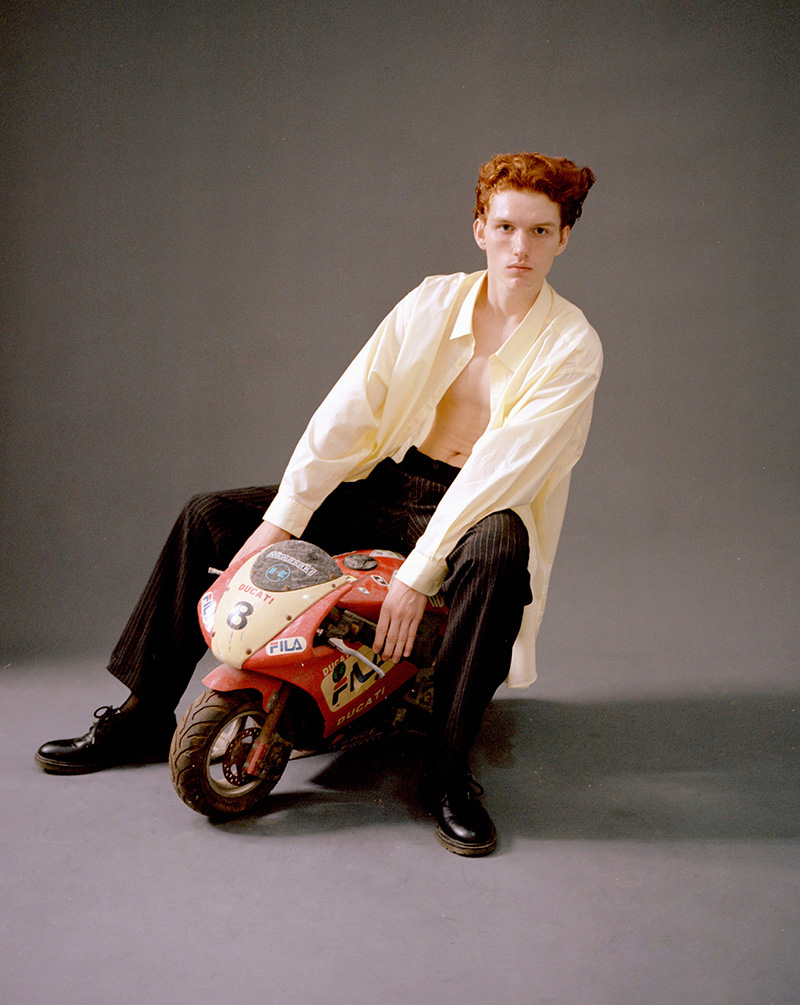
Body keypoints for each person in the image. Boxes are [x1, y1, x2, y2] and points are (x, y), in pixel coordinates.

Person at [36, 152, 602, 857]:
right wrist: (283, 519)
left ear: (563, 238)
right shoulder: (431, 303)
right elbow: (350, 409)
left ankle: (447, 774)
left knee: (501, 553)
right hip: (397, 484)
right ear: (480, 228)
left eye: (541, 231)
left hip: (479, 510)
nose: (521, 248)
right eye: (508, 227)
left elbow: (503, 469)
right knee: (209, 516)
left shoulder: (572, 345)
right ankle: (145, 716)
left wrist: (419, 573)